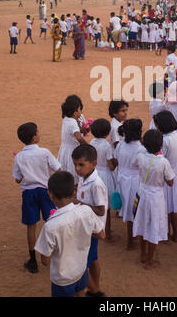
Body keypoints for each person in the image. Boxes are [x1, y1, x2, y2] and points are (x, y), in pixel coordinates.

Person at [34, 171, 105, 297]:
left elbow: (45, 261)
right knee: (80, 293)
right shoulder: (86, 211)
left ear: (50, 195)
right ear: (74, 192)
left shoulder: (50, 226)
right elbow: (101, 235)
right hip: (81, 270)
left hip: (63, 278)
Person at [12, 122, 61, 274]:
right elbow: (58, 168)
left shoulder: (19, 156)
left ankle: (33, 260)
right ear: (34, 138)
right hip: (46, 192)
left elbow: (17, 179)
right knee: (53, 221)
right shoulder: (44, 152)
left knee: (31, 226)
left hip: (29, 193)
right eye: (38, 132)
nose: (39, 134)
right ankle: (56, 253)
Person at [133, 130, 175, 270]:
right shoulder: (163, 162)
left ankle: (143, 254)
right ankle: (150, 261)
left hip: (142, 192)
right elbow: (170, 182)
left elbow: (135, 165)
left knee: (142, 221)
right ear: (160, 145)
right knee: (154, 226)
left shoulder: (140, 156)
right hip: (156, 196)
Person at [73, 145, 108, 298]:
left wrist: (79, 203)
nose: (77, 168)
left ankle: (94, 291)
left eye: (81, 164)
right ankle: (95, 288)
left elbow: (101, 210)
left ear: (94, 164)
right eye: (75, 164)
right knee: (93, 259)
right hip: (87, 227)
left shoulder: (97, 184)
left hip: (92, 230)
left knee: (81, 265)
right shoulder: (84, 178)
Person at [114, 119, 146, 249]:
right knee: (137, 210)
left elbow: (116, 160)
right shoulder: (141, 149)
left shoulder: (120, 145)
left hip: (122, 180)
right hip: (135, 182)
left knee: (128, 210)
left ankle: (130, 241)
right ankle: (135, 238)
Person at [154, 111, 177, 242]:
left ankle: (165, 233)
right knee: (172, 206)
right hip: (174, 171)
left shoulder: (165, 140)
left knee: (165, 206)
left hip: (166, 175)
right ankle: (175, 233)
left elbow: (160, 158)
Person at [90, 119, 116, 241]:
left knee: (95, 204)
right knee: (106, 206)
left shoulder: (92, 142)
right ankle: (108, 232)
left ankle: (95, 230)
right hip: (105, 176)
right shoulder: (107, 146)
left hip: (94, 173)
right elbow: (111, 166)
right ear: (107, 133)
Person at [57, 99, 88, 185]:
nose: (81, 112)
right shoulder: (73, 122)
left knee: (65, 173)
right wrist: (88, 147)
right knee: (74, 176)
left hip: (64, 150)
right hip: (72, 150)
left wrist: (83, 129)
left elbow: (73, 132)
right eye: (79, 110)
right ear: (75, 113)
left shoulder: (66, 119)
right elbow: (79, 138)